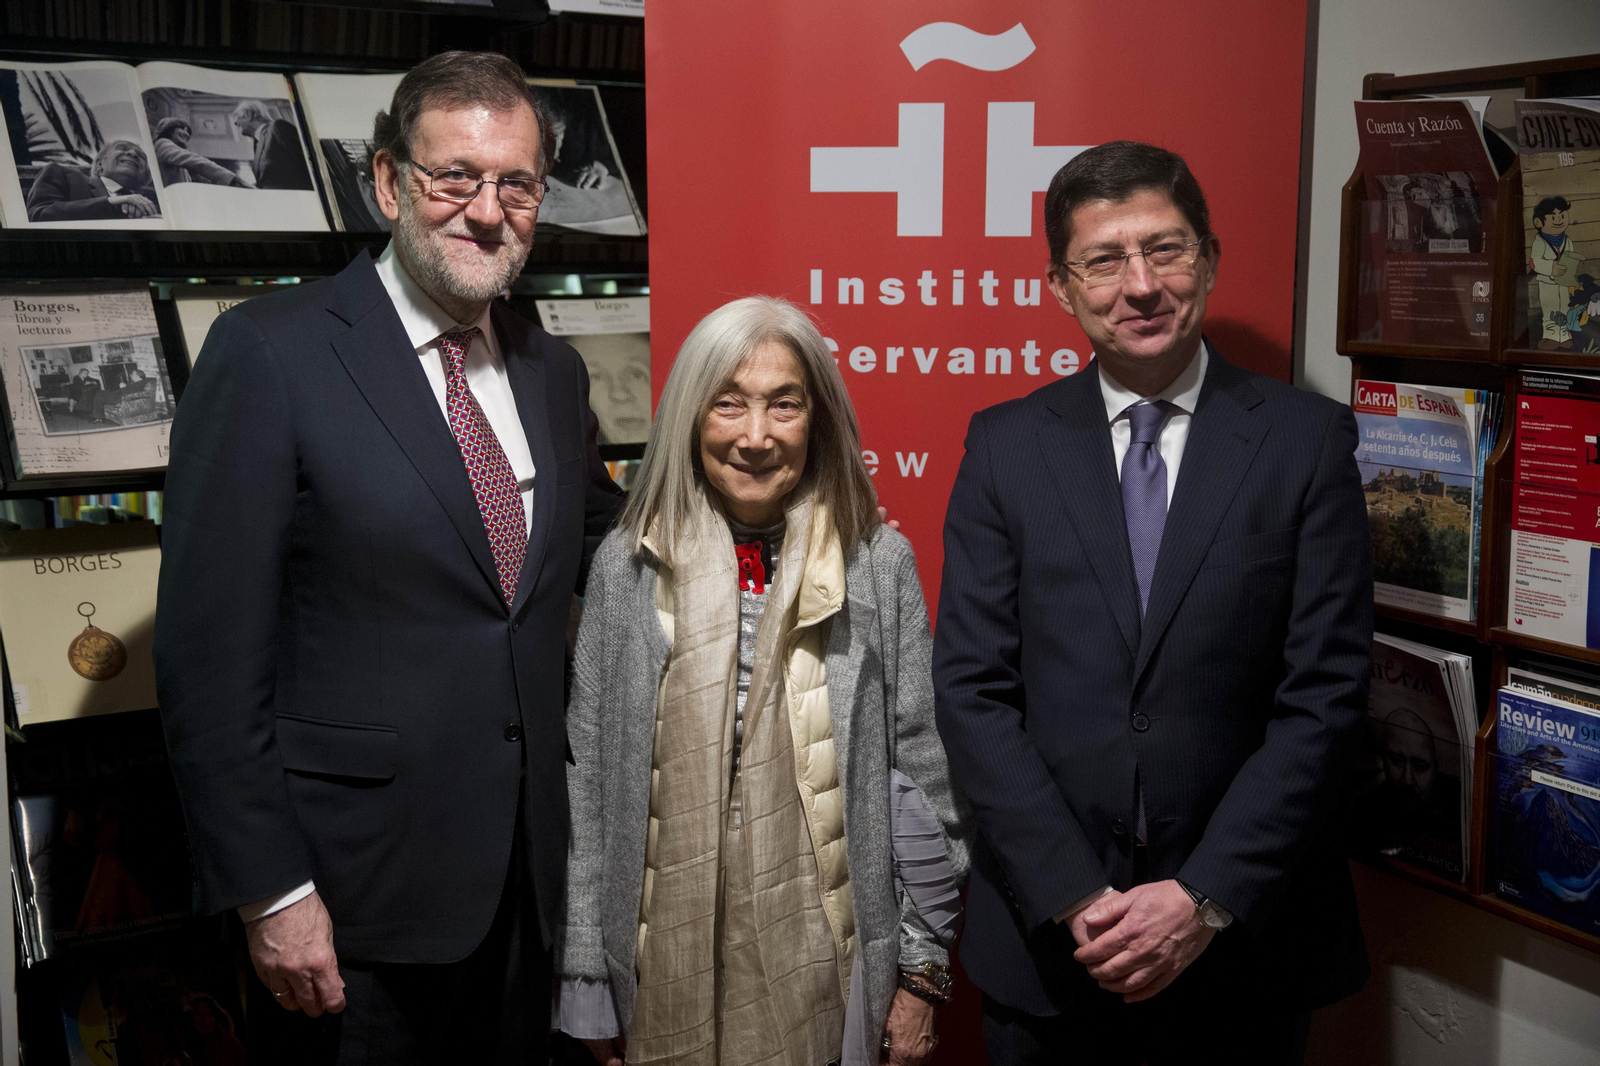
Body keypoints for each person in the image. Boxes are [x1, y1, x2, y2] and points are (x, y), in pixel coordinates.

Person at [154, 51, 624, 1065]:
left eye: (514, 183)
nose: (485, 209)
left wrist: (784, 514)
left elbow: (599, 534)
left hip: (522, 890)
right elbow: (205, 659)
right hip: (348, 904)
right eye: (452, 175)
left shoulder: (549, 366)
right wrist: (270, 890)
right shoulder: (269, 353)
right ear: (384, 182)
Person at [933, 141, 1372, 1066]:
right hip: (1055, 949)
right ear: (1061, 285)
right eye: (1104, 259)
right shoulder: (1005, 449)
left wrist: (1202, 897)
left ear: (1208, 258)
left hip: (1245, 949)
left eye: (1165, 249)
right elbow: (973, 691)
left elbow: (1326, 697)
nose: (1141, 284)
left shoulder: (1304, 442)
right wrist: (1076, 896)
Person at [557, 296, 968, 1066]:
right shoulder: (627, 565)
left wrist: (920, 976)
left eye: (784, 404)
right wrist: (585, 981)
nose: (755, 436)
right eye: (728, 404)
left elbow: (921, 779)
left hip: (833, 971)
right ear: (690, 416)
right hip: (654, 969)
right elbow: (590, 786)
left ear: (818, 420)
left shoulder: (876, 565)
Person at [25, 139, 160, 221]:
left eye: (141, 156)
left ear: (145, 179)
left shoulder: (157, 205)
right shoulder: (62, 175)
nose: (133, 154)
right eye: (122, 149)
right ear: (100, 165)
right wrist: (109, 202)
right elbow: (37, 216)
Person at [230, 99, 314, 190]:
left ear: (248, 115)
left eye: (237, 118)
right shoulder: (257, 143)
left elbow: (306, 164)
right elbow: (269, 179)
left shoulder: (278, 127)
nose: (236, 123)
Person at [152, 117, 253, 187]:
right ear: (169, 129)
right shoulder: (162, 143)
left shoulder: (175, 155)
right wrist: (232, 179)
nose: (187, 134)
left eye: (188, 131)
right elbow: (196, 161)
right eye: (182, 129)